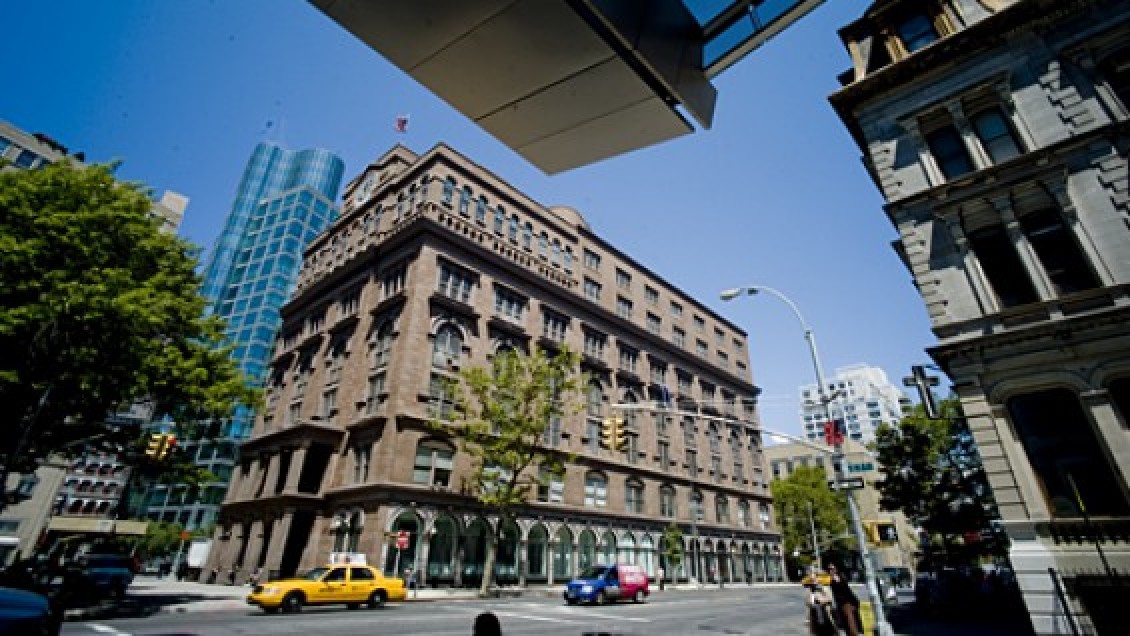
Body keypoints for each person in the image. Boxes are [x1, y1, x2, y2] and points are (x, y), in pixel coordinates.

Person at [827, 563, 862, 636]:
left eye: (832, 569)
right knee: (846, 625)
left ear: (836, 569)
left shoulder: (839, 578)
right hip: (841, 605)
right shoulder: (832, 580)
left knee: (851, 625)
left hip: (846, 604)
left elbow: (847, 592)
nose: (831, 571)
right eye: (829, 569)